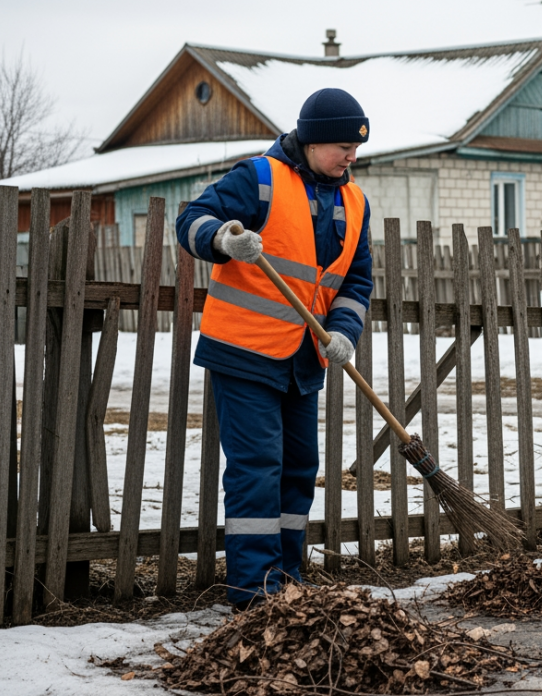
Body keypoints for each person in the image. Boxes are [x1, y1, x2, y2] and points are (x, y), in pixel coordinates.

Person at [176, 88, 373, 609]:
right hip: (244, 352)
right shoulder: (259, 178)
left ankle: (287, 579)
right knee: (257, 468)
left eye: (356, 148)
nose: (351, 157)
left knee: (299, 468)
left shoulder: (355, 202)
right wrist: (223, 239)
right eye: (343, 148)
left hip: (303, 359)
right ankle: (255, 590)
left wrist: (343, 333)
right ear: (312, 141)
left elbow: (356, 282)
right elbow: (191, 218)